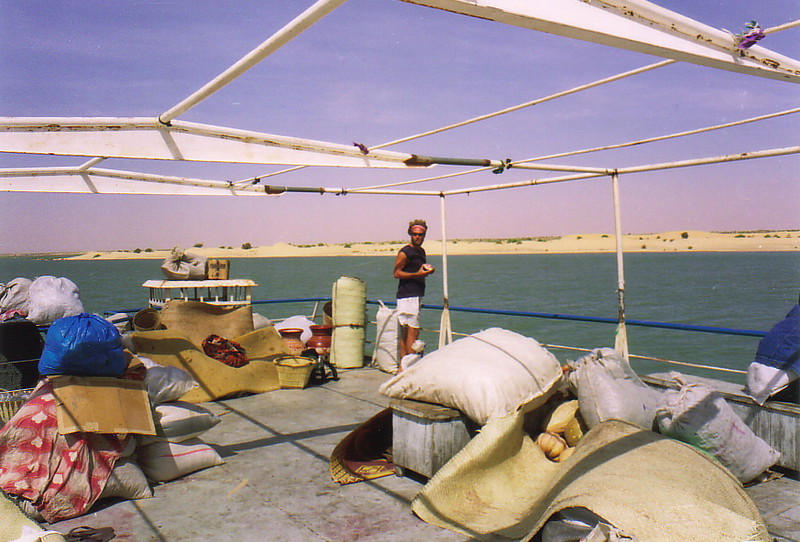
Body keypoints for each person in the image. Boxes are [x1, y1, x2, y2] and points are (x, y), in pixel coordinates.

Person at [394, 219, 435, 360]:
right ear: (409, 234)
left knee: (406, 332)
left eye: (420, 234)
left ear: (424, 235)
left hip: (416, 295)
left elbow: (417, 269)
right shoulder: (405, 252)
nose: (417, 237)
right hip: (407, 296)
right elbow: (396, 273)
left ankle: (402, 367)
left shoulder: (421, 251)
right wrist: (417, 274)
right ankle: (409, 364)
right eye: (415, 234)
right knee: (413, 331)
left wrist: (426, 270)